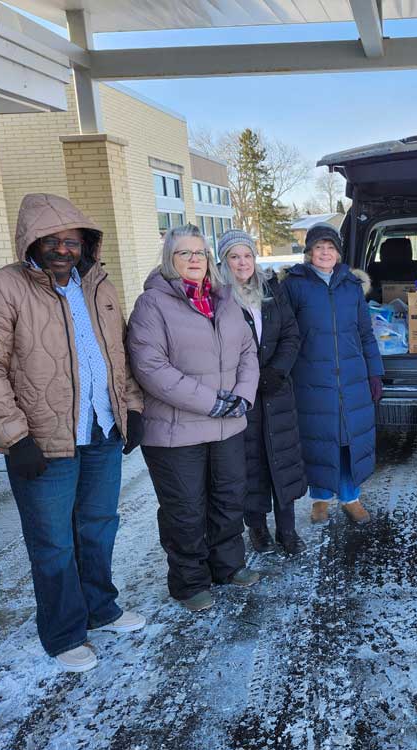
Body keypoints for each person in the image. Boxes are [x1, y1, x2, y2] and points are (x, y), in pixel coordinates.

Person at [0, 193, 145, 672]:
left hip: (101, 430)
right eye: (52, 239)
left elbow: (119, 355)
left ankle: (100, 608)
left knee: (98, 528)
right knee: (52, 542)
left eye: (72, 240)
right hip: (41, 438)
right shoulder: (0, 289)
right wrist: (14, 436)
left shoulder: (99, 285)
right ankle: (64, 632)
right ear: (31, 240)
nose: (63, 249)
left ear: (86, 244)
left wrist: (131, 407)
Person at [127, 224, 260, 612]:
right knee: (185, 508)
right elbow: (150, 367)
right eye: (185, 253)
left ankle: (228, 565)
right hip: (175, 430)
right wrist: (210, 402)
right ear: (170, 258)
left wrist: (242, 396)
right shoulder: (152, 304)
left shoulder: (225, 299)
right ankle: (189, 582)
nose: (194, 260)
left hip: (228, 423)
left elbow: (248, 352)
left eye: (200, 252)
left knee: (229, 497)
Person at [281, 223, 384, 525]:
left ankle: (350, 497)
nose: (325, 252)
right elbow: (285, 334)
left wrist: (374, 373)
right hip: (311, 378)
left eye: (331, 247)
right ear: (309, 252)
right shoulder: (294, 285)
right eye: (318, 247)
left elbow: (365, 333)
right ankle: (320, 499)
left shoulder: (351, 286)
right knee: (319, 439)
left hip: (351, 377)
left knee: (347, 441)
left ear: (338, 253)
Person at [217, 229, 308, 556]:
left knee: (282, 458)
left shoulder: (272, 289)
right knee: (250, 461)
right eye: (234, 256)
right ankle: (256, 526)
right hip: (242, 393)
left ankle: (288, 529)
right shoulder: (218, 295)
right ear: (224, 261)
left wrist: (277, 370)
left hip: (276, 388)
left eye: (247, 255)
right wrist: (246, 380)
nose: (242, 263)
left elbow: (290, 335)